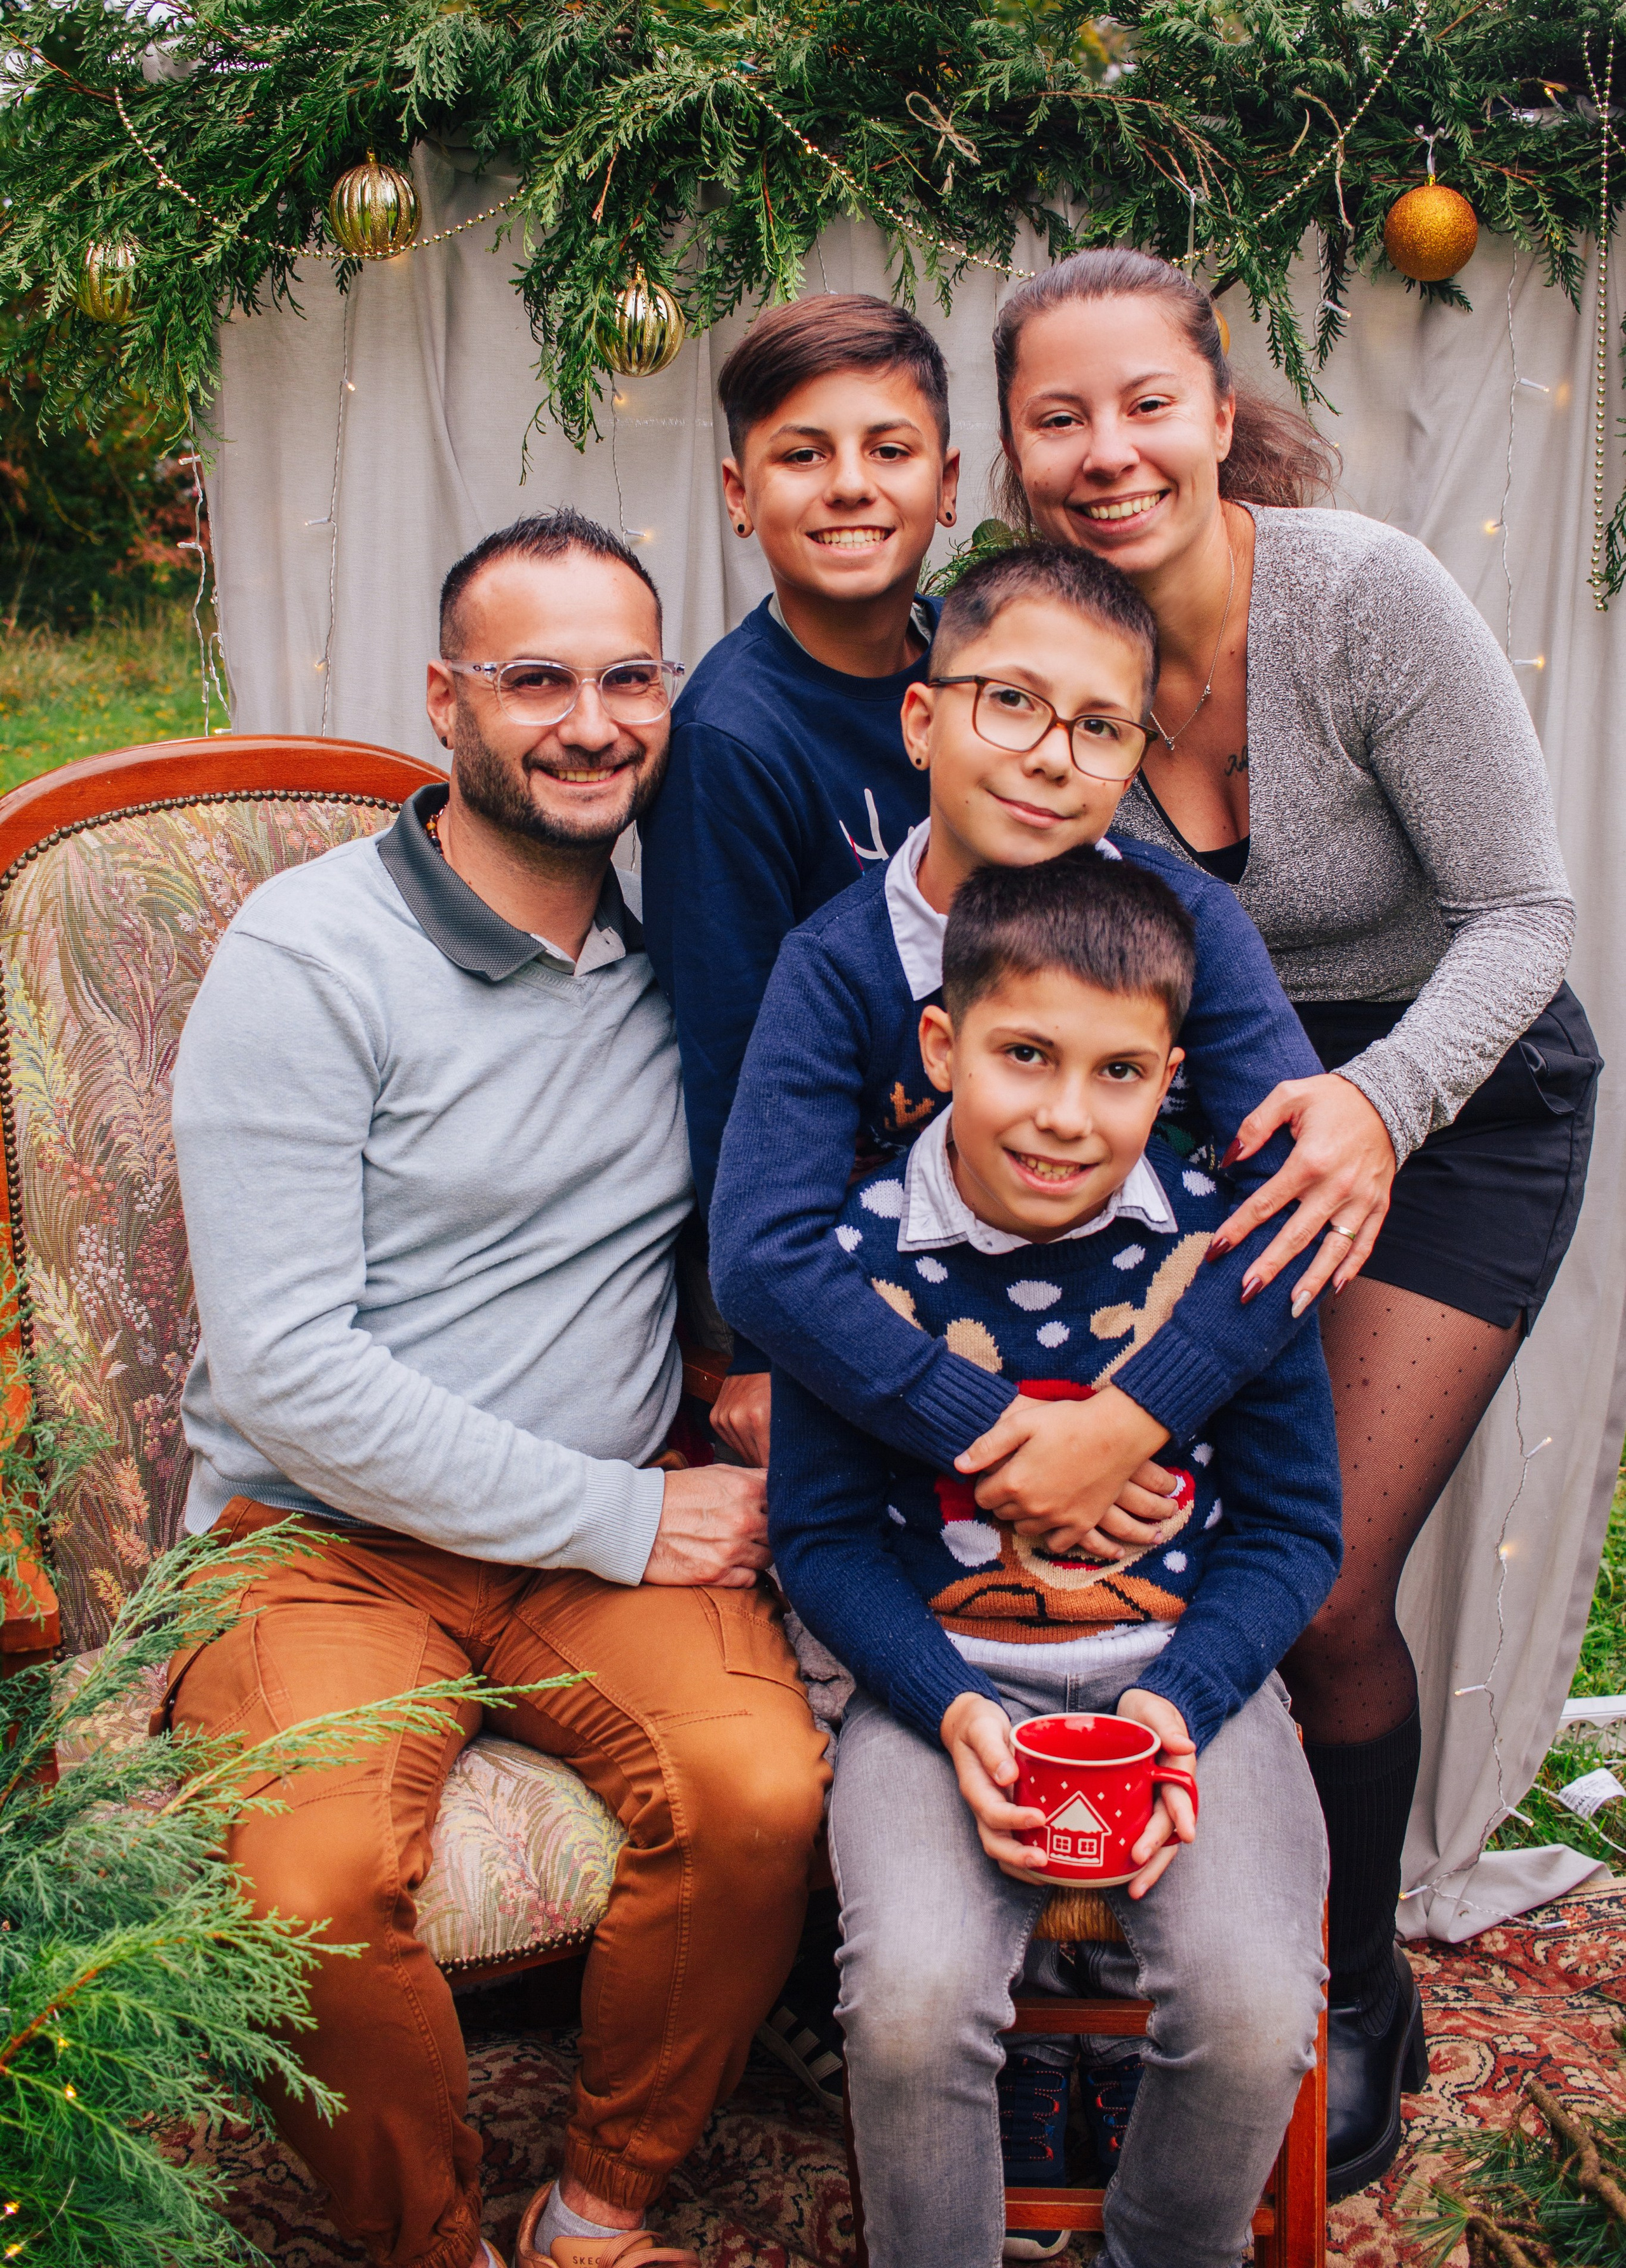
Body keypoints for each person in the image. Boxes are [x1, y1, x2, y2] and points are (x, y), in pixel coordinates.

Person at [990, 244, 1601, 2195]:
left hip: (1459, 1094)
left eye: (1144, 403)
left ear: (1216, 408)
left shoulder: (1361, 596)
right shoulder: (1037, 649)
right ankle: (1136, 1970)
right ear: (1014, 449)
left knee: (1325, 1586)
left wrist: (1381, 1105)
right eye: (1060, 417)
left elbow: (1524, 916)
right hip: (1214, 1120)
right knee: (1158, 1558)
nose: (1108, 451)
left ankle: (1355, 1988)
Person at [166, 508, 829, 2268]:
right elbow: (289, 1374)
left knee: (762, 1799)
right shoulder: (307, 958)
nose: (589, 724)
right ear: (445, 698)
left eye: (629, 680)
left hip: (586, 1546)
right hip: (320, 1541)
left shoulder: (687, 968)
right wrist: (630, 1515)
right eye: (537, 679)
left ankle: (597, 2212)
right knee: (308, 1885)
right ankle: (433, 2246)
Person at [769, 851, 1343, 2268]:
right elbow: (821, 1538)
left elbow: (1291, 1530)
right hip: (935, 1685)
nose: (1066, 1117)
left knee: (1255, 2009)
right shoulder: (852, 1264)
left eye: (1119, 1073)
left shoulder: (1230, 1246)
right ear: (941, 1046)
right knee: (907, 2006)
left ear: (1169, 1080)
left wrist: (1176, 1705)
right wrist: (947, 1703)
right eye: (1024, 1055)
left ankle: (1163, 2247)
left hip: (1185, 1683)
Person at [711, 541, 1327, 1565]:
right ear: (921, 723)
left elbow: (1296, 1201)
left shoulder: (1193, 928)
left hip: (1162, 1427)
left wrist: (1125, 1423)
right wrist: (1001, 1437)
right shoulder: (836, 965)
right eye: (1010, 701)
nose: (1051, 756)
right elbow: (763, 1256)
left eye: (1100, 727)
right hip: (914, 1433)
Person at [639, 293, 960, 1469]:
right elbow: (728, 1059)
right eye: (803, 455)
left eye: (889, 450)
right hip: (831, 1225)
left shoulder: (987, 667)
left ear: (948, 483)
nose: (850, 486)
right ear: (739, 494)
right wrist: (766, 1339)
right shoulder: (730, 741)